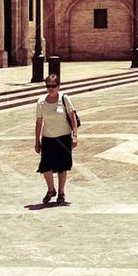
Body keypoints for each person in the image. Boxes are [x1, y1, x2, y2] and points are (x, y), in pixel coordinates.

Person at [34, 73, 77, 205]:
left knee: (62, 167)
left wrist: (75, 136)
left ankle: (61, 192)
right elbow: (39, 122)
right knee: (45, 166)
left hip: (64, 137)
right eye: (48, 86)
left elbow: (72, 118)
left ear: (58, 86)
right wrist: (37, 141)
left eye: (54, 86)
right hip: (48, 138)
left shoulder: (64, 99)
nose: (51, 89)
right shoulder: (41, 102)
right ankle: (51, 189)